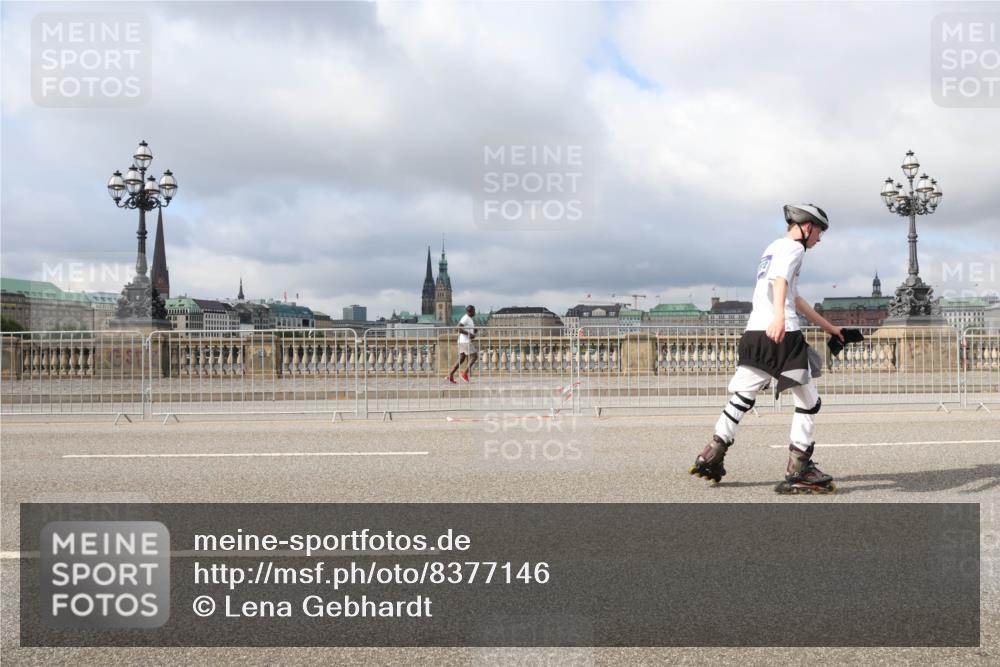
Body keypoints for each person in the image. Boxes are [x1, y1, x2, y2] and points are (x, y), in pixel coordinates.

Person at [689, 204, 845, 494]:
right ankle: (799, 468)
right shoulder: (795, 250)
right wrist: (779, 319)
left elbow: (794, 297)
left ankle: (712, 453)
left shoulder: (773, 248)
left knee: (743, 397)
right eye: (820, 232)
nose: (820, 239)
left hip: (755, 333)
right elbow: (780, 282)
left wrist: (830, 328)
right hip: (781, 334)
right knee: (809, 401)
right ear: (807, 226)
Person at [448, 305, 479, 383]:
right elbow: (457, 328)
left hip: (462, 341)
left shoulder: (469, 319)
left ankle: (450, 375)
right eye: (474, 311)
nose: (475, 312)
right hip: (465, 341)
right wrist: (469, 334)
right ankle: (464, 373)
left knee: (461, 359)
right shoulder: (465, 318)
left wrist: (473, 331)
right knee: (474, 356)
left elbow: (465, 329)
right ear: (470, 311)